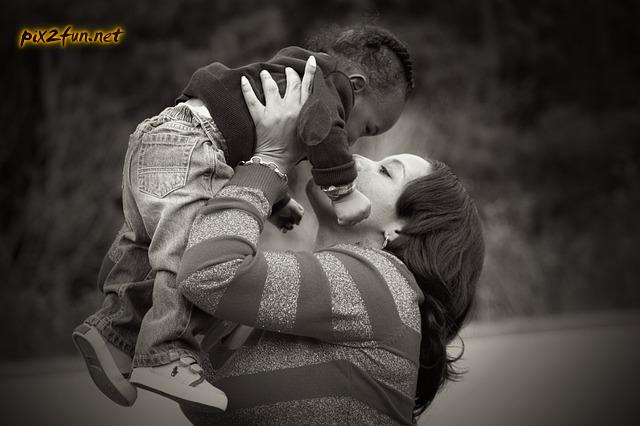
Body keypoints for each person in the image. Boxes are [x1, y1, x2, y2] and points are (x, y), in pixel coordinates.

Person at [71, 25, 415, 410]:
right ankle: (164, 351)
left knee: (144, 245)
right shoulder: (327, 87)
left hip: (163, 136)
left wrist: (278, 202)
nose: (353, 143)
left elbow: (250, 141)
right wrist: (343, 189)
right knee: (185, 250)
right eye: (366, 128)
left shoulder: (297, 74)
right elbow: (320, 132)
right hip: (194, 145)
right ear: (356, 85)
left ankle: (113, 333)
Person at [175, 63, 485, 424]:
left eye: (385, 171)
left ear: (401, 230)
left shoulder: (383, 286)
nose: (357, 159)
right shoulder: (295, 295)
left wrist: (270, 160)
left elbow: (209, 272)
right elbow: (191, 273)